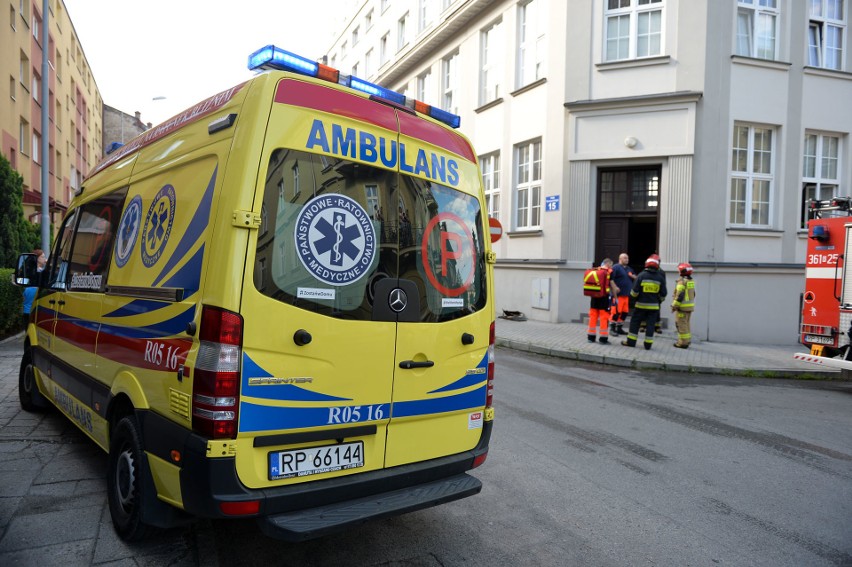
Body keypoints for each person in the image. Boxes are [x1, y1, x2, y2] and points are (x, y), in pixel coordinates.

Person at [622, 254, 667, 350]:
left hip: (640, 306)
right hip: (654, 307)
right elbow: (664, 294)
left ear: (646, 264)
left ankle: (631, 342)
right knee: (651, 325)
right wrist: (658, 301)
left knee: (635, 323)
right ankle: (648, 345)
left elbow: (634, 292)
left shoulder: (641, 276)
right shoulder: (660, 277)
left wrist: (634, 300)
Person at [586, 258, 619, 344]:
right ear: (608, 264)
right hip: (604, 298)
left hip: (594, 298)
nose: (611, 267)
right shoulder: (609, 271)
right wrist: (616, 297)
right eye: (611, 265)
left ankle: (591, 337)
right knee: (604, 317)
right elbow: (612, 286)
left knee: (593, 316)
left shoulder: (595, 270)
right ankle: (603, 339)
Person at [609, 252, 636, 335]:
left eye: (627, 258)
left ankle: (619, 328)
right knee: (616, 312)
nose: (627, 259)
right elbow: (610, 279)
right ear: (620, 259)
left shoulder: (629, 269)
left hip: (626, 295)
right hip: (618, 296)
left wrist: (633, 276)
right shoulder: (615, 267)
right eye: (625, 258)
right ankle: (612, 329)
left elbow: (636, 277)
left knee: (624, 312)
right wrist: (615, 288)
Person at [671, 262, 696, 349]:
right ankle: (687, 340)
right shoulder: (690, 281)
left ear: (682, 271)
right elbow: (693, 294)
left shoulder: (682, 282)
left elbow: (680, 295)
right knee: (686, 324)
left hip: (682, 308)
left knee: (681, 324)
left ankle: (683, 343)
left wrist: (674, 306)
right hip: (689, 308)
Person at [21, 249, 46, 328]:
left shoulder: (41, 272)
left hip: (33, 312)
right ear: (36, 258)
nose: (45, 259)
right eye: (42, 257)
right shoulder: (35, 273)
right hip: (31, 312)